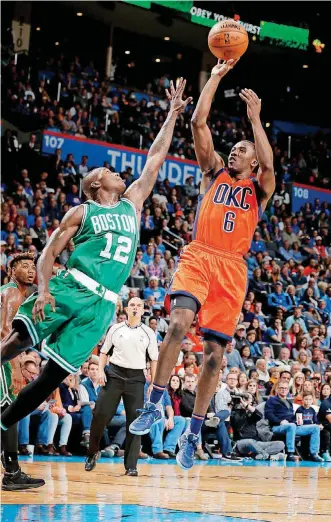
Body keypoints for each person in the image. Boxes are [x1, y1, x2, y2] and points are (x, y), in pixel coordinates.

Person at [0, 79, 192, 443]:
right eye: (110, 173)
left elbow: (154, 160)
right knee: (16, 343)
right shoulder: (82, 210)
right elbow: (49, 253)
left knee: (50, 379)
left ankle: (2, 424)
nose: (119, 174)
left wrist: (171, 117)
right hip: (71, 288)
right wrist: (42, 291)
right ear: (96, 184)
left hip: (103, 304)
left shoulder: (131, 204)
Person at [132, 61, 275, 470]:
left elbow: (269, 164)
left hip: (233, 268)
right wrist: (214, 76)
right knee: (177, 324)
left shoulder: (260, 189)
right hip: (200, 254)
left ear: (252, 163)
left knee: (214, 356)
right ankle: (154, 403)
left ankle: (192, 435)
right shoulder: (213, 173)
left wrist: (255, 120)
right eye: (235, 147)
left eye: (242, 149)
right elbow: (198, 122)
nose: (236, 150)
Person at [85, 297, 158, 476]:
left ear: (143, 310)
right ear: (126, 309)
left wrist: (153, 383)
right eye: (132, 305)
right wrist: (101, 370)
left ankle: (131, 466)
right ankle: (92, 452)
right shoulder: (115, 329)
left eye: (138, 305)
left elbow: (154, 359)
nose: (135, 308)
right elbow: (103, 352)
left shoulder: (149, 333)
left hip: (136, 378)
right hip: (114, 374)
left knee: (135, 422)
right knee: (100, 415)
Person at [0, 253, 44, 491]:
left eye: (32, 267)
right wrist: (16, 367)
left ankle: (11, 469)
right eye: (24, 266)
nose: (30, 270)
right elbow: (6, 330)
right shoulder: (12, 292)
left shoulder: (16, 293)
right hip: (3, 361)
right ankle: (12, 472)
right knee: (9, 412)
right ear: (11, 271)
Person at [265, 381, 323, 462]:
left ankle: (314, 453)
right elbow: (268, 414)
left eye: (285, 388)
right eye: (281, 388)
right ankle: (290, 453)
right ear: (277, 389)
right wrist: (280, 421)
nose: (283, 390)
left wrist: (297, 421)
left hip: (292, 425)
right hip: (277, 426)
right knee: (291, 426)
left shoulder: (289, 402)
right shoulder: (272, 400)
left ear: (288, 390)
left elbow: (292, 418)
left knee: (315, 428)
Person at [231, 393, 285, 461]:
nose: (244, 401)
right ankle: (268, 456)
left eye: (248, 399)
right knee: (249, 441)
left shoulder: (252, 413)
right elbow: (235, 420)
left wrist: (246, 406)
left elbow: (259, 415)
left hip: (256, 443)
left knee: (281, 444)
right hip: (241, 442)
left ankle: (257, 455)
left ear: (251, 401)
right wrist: (238, 407)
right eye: (243, 399)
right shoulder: (235, 413)